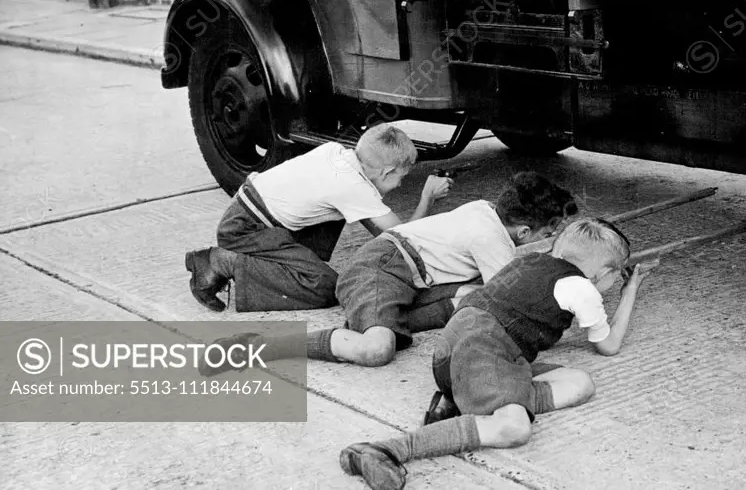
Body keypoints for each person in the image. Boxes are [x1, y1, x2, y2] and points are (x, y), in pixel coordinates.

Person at [338, 218, 656, 490]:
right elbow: (609, 345)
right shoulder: (582, 288)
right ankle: (386, 449)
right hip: (484, 352)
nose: (615, 283)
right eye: (616, 277)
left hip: (456, 351)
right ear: (602, 274)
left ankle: (468, 398)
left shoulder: (527, 261)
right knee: (513, 428)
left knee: (579, 382)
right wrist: (630, 294)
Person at [199, 172, 577, 373]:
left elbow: (502, 273)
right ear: (525, 232)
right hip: (379, 268)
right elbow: (514, 296)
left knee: (469, 300)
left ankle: (370, 324)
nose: (549, 239)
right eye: (549, 232)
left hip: (406, 276)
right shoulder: (490, 238)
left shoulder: (486, 211)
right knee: (376, 350)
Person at [184, 124, 452, 313]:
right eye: (401, 178)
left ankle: (273, 264)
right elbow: (401, 237)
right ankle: (219, 262)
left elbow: (374, 225)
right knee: (323, 287)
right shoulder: (352, 187)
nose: (401, 185)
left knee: (336, 220)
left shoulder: (338, 154)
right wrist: (428, 197)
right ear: (387, 171)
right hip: (245, 230)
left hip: (247, 213)